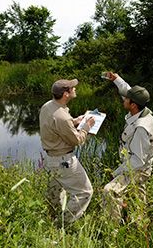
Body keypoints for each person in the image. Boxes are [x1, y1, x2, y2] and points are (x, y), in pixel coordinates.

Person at [39, 78, 96, 225]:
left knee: (55, 192)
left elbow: (57, 124)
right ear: (66, 94)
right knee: (85, 192)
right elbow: (76, 140)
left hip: (50, 159)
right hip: (63, 160)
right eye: (72, 88)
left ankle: (50, 220)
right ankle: (61, 225)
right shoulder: (62, 117)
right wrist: (86, 127)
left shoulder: (48, 106)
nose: (75, 89)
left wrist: (75, 121)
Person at [103, 72, 153, 222]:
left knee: (110, 191)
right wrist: (117, 79)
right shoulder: (141, 110)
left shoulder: (141, 128)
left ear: (133, 105)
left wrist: (116, 172)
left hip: (138, 169)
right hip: (138, 165)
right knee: (137, 198)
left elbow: (138, 161)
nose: (123, 99)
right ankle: (138, 223)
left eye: (126, 99)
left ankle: (112, 230)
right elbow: (128, 90)